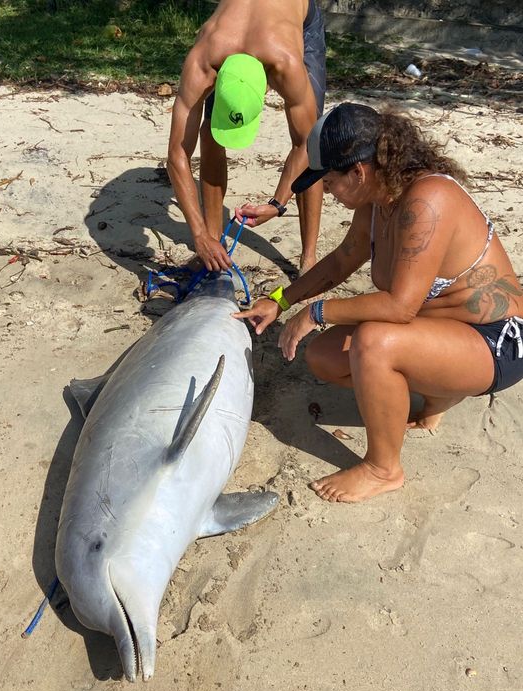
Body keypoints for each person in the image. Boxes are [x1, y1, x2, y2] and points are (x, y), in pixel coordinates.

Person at [234, 102, 523, 503]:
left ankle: (383, 469)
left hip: (497, 343)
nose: (328, 192)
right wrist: (279, 301)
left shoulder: (428, 199)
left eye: (329, 182)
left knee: (373, 342)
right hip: (442, 333)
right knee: (325, 356)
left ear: (359, 171)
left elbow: (400, 308)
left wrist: (317, 312)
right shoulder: (377, 200)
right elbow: (340, 261)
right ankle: (438, 394)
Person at [167, 0, 326, 274]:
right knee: (210, 132)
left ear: (268, 87)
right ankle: (214, 242)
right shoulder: (203, 59)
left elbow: (307, 144)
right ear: (216, 79)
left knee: (312, 138)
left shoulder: (286, 65)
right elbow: (177, 154)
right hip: (232, 35)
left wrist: (278, 203)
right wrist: (200, 236)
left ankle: (308, 258)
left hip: (297, 17)